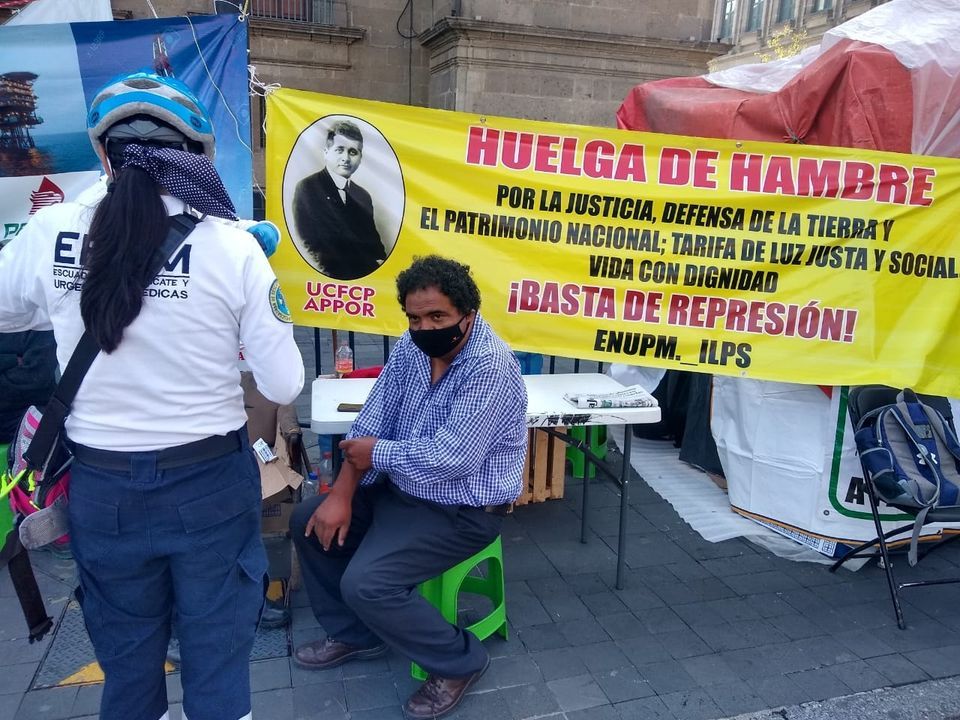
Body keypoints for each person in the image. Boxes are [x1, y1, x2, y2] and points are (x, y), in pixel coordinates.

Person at [0, 71, 304, 720]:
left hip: (102, 492)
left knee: (128, 669)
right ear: (194, 154)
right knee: (217, 659)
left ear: (104, 154)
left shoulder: (53, 229)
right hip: (209, 489)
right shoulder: (234, 247)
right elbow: (282, 385)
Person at [290, 255, 527, 719]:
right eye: (416, 317)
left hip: (463, 511)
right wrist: (339, 495)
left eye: (438, 316)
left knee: (368, 583)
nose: (425, 327)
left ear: (468, 314)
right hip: (402, 492)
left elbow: (451, 459)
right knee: (307, 520)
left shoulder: (490, 367)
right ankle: (357, 634)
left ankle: (460, 661)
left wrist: (376, 453)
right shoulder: (409, 349)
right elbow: (373, 417)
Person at [292, 120, 386, 281]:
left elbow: (374, 244)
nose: (346, 158)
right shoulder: (307, 188)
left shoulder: (362, 195)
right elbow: (306, 242)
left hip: (363, 283)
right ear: (326, 152)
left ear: (360, 158)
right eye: (339, 150)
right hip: (324, 280)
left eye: (353, 152)